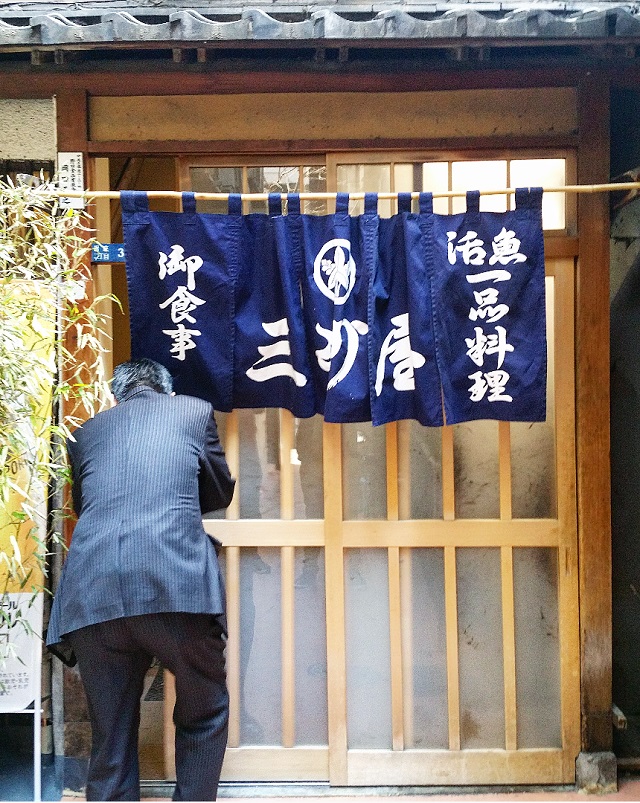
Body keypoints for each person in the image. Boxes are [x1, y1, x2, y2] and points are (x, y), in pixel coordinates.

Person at [46, 358, 235, 802]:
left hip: (93, 593)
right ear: (166, 390)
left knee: (110, 732)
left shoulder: (87, 432)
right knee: (205, 709)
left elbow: (85, 503)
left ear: (117, 396)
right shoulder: (193, 411)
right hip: (175, 584)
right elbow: (219, 490)